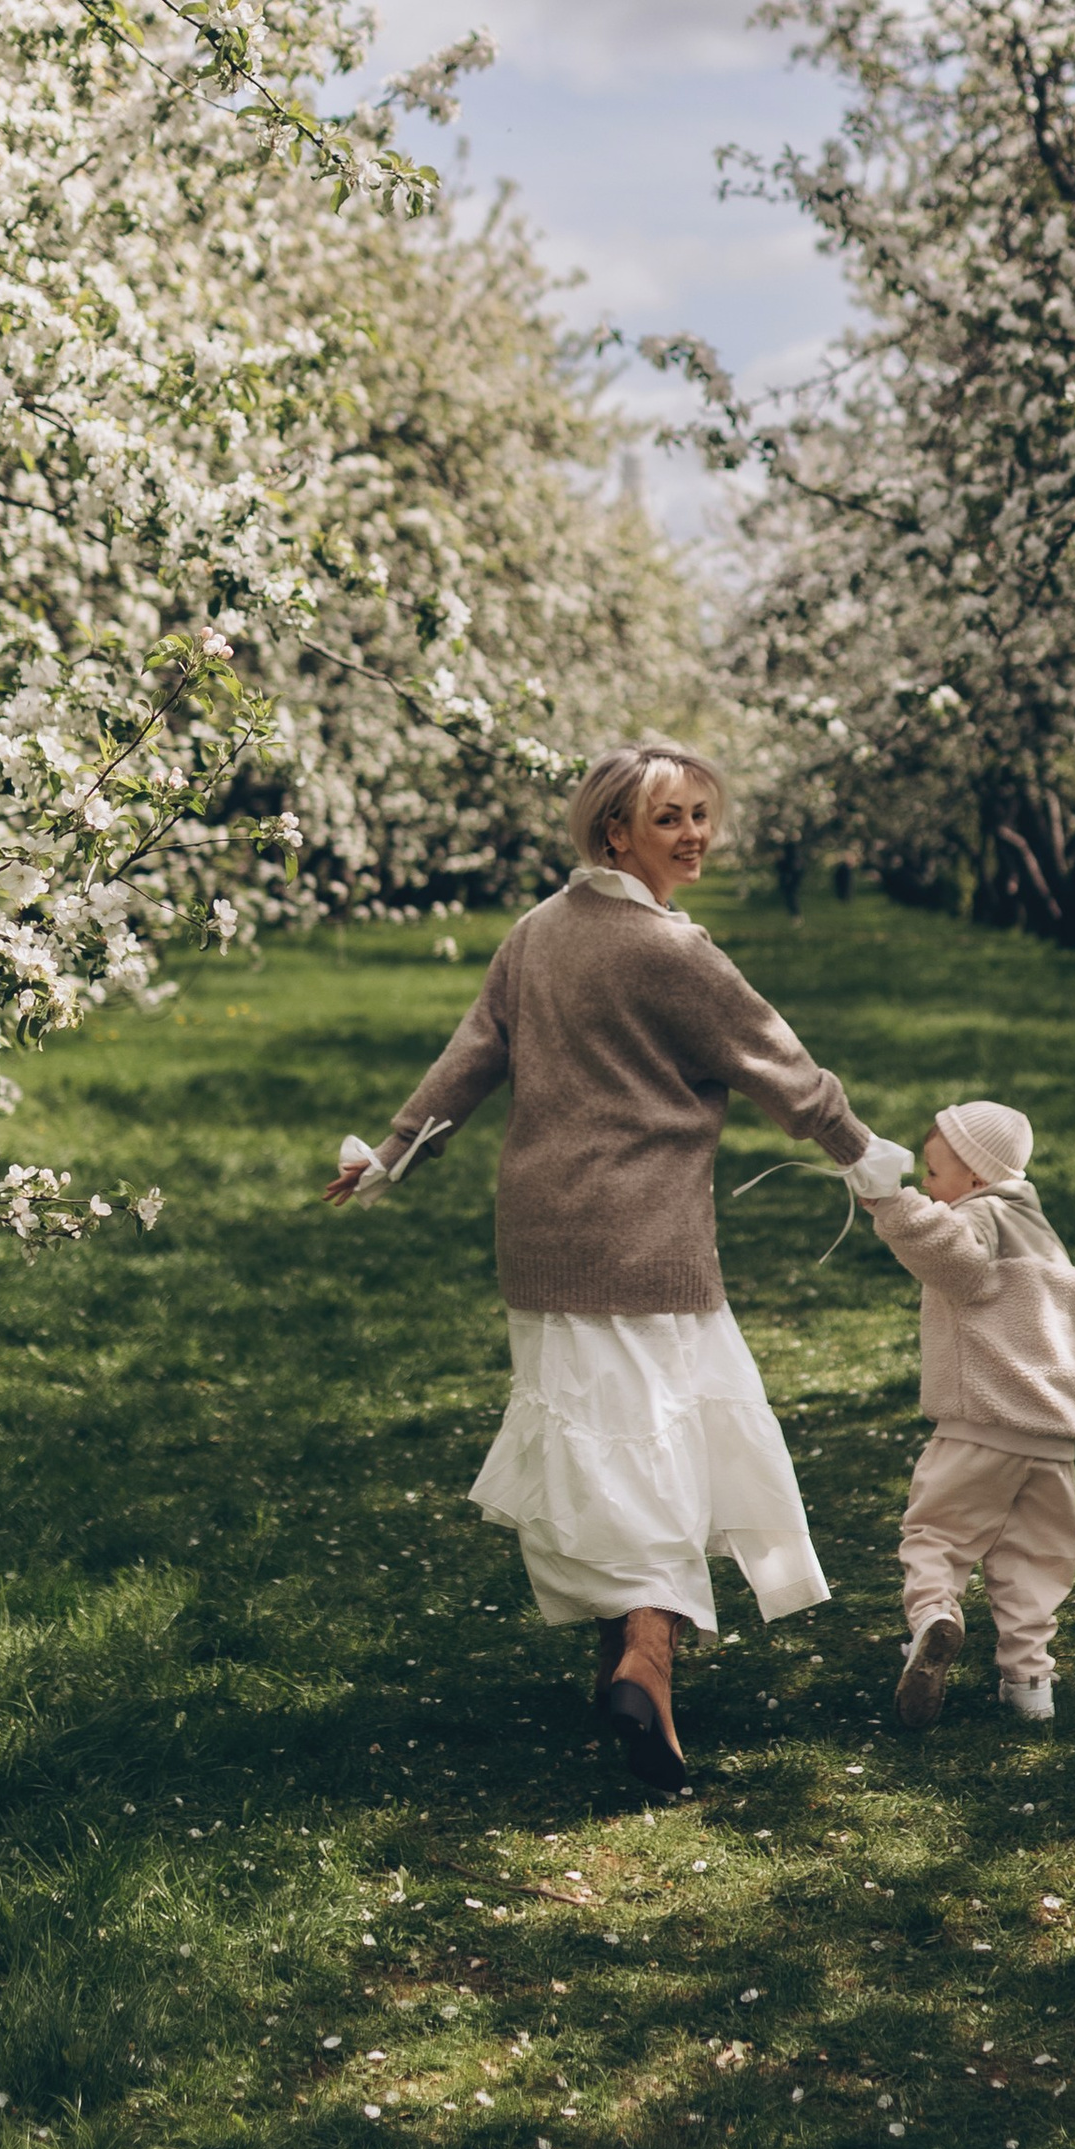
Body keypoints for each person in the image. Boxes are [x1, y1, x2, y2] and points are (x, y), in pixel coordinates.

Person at [326, 742, 910, 1792]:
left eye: (700, 812)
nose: (693, 833)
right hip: (646, 1240)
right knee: (662, 1446)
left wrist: (393, 1154)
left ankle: (618, 1669)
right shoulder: (673, 952)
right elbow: (780, 1065)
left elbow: (471, 1057)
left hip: (542, 1236)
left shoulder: (534, 936)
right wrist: (865, 1160)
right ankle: (648, 1665)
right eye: (669, 817)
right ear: (613, 833)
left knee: (595, 1442)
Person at [864, 1100, 1075, 1730]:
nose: (929, 1188)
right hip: (1052, 1440)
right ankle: (1029, 1684)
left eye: (934, 1174)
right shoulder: (1047, 1239)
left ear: (975, 1178)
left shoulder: (980, 1219)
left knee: (936, 1534)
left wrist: (890, 1203)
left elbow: (948, 1254)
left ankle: (934, 1618)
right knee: (1035, 1563)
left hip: (979, 1425)